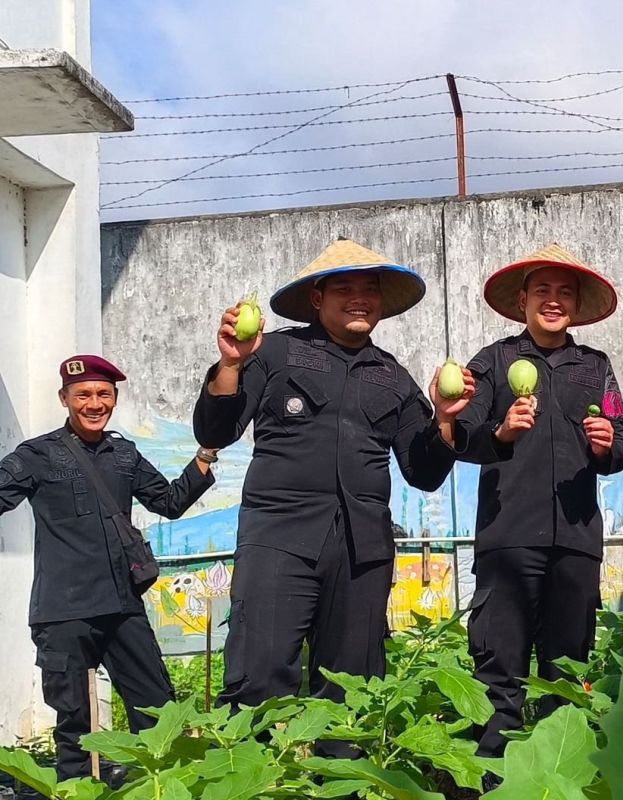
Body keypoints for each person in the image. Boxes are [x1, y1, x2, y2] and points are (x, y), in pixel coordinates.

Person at [192, 238, 471, 739]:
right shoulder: (274, 352)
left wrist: (446, 423)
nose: (358, 297)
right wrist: (231, 365)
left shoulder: (393, 377)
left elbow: (423, 472)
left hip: (362, 552)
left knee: (352, 690)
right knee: (258, 679)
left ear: (382, 302)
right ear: (317, 298)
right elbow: (215, 433)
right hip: (280, 539)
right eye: (343, 287)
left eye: (369, 288)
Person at [446, 244, 623, 778]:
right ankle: (492, 780)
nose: (553, 301)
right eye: (542, 292)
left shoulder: (598, 368)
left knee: (565, 673)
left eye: (564, 292)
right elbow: (463, 435)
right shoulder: (493, 361)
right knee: (498, 673)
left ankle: (559, 778)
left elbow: (619, 442)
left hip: (575, 541)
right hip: (507, 538)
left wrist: (604, 446)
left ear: (576, 304)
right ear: (522, 300)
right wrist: (500, 432)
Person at [0, 355, 215, 780]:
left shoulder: (124, 455)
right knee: (74, 723)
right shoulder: (36, 455)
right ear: (65, 398)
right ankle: (76, 789)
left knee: (157, 707)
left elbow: (169, 502)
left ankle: (161, 786)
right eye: (82, 395)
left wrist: (205, 455)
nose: (93, 403)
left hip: (122, 606)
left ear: (114, 399)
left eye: (103, 394)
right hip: (63, 611)